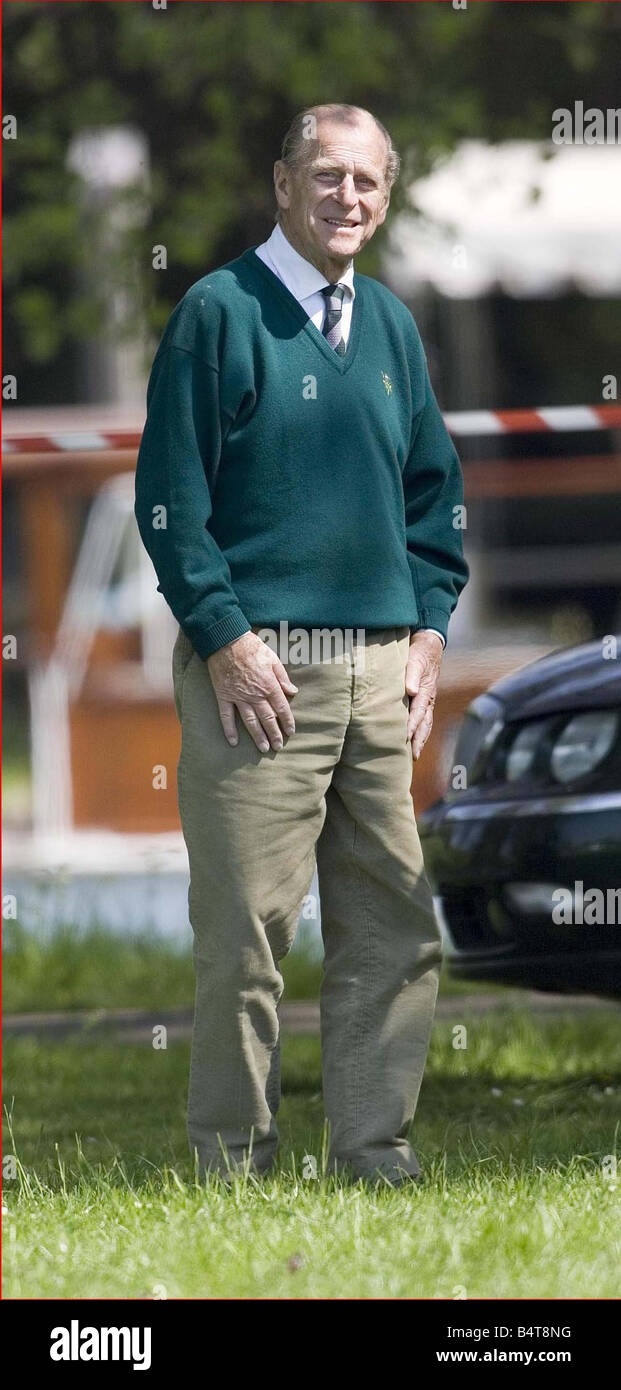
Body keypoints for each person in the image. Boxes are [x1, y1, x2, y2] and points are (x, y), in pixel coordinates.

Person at [135, 103, 469, 1185]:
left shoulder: (391, 327)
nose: (349, 199)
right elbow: (171, 501)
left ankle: (375, 1153)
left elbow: (435, 494)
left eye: (369, 182)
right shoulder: (216, 313)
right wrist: (225, 640)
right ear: (283, 183)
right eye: (327, 176)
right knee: (245, 941)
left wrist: (429, 626)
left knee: (395, 932)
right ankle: (233, 1170)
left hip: (382, 675)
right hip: (258, 673)